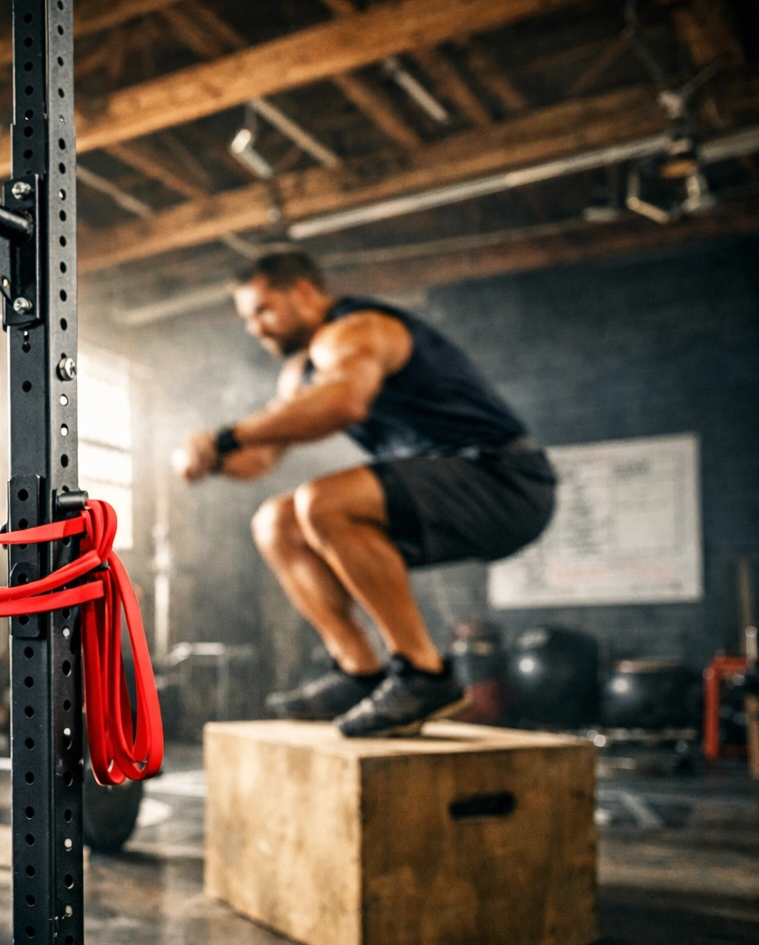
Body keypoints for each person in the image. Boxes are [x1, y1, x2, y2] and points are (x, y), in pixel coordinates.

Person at [177, 251, 556, 737]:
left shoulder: (357, 330)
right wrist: (206, 458)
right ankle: (359, 672)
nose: (256, 327)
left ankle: (424, 675)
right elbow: (260, 458)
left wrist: (224, 436)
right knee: (276, 522)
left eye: (263, 310)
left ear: (303, 292)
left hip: (508, 482)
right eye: (248, 318)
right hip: (442, 487)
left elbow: (344, 402)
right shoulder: (300, 371)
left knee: (323, 501)